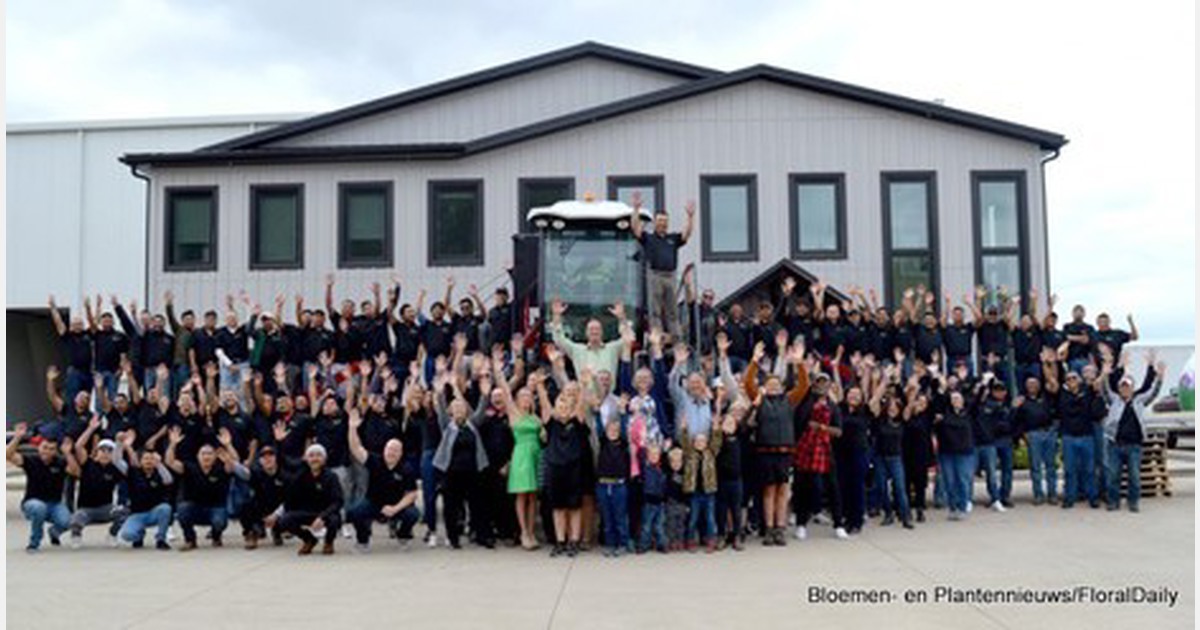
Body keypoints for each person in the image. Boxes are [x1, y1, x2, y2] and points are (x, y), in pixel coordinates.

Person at [743, 340, 809, 546]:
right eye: (770, 384)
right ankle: (769, 528)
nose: (773, 386)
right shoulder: (760, 399)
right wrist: (754, 362)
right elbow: (748, 383)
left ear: (781, 387)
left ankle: (780, 528)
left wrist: (799, 363)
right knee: (768, 491)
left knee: (783, 491)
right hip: (765, 451)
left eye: (776, 384)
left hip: (785, 452)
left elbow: (804, 385)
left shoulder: (789, 400)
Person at [431, 363, 490, 549]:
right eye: (455, 408)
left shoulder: (472, 424)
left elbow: (481, 410)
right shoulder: (446, 426)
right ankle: (453, 538)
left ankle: (481, 536)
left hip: (473, 471)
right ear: (451, 411)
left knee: (478, 505)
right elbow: (440, 409)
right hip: (451, 473)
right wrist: (440, 393)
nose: (458, 410)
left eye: (461, 407)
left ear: (466, 410)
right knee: (451, 507)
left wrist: (485, 394)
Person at [345, 409, 420, 552]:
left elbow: (412, 494)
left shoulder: (406, 468)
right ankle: (363, 540)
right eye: (389, 449)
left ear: (401, 453)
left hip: (396, 505)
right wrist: (352, 428)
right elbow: (356, 448)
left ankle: (403, 536)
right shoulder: (374, 460)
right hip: (373, 503)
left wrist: (395, 508)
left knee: (413, 514)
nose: (391, 452)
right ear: (384, 449)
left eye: (395, 450)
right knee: (354, 513)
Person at [1100, 356, 1164, 512]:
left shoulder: (1140, 401)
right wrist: (1105, 374)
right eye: (1122, 386)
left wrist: (1160, 378)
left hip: (1134, 445)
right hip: (1115, 444)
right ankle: (1113, 502)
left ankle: (1133, 502)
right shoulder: (1114, 400)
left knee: (1134, 477)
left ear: (1132, 388)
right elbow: (1104, 390)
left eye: (1127, 386)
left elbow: (1153, 393)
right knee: (1113, 476)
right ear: (1119, 388)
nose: (1124, 389)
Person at [166, 427, 246, 550]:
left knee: (220, 522)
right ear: (198, 456)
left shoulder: (221, 468)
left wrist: (228, 445)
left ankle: (216, 536)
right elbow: (170, 462)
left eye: (209, 453)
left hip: (216, 508)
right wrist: (172, 444)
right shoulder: (189, 467)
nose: (206, 456)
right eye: (203, 454)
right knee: (182, 510)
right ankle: (190, 540)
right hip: (195, 509)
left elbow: (235, 462)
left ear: (215, 456)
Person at [492, 358, 543, 550]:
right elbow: (505, 391)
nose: (526, 399)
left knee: (533, 496)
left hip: (535, 455)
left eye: (528, 396)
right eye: (522, 396)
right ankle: (523, 532)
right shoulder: (514, 414)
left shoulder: (535, 416)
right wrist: (499, 372)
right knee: (522, 495)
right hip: (521, 456)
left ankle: (531, 531)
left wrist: (539, 386)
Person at [629, 192, 694, 340]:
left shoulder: (673, 238)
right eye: (659, 220)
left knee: (673, 311)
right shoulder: (649, 238)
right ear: (655, 222)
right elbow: (635, 229)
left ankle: (677, 339)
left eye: (664, 221)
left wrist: (690, 217)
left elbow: (686, 234)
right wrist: (636, 209)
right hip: (655, 275)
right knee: (655, 311)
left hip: (670, 275)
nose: (662, 223)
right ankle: (656, 338)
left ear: (667, 223)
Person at [537, 376, 590, 557]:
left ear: (571, 408)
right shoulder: (551, 425)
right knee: (558, 508)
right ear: (556, 409)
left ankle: (574, 541)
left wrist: (583, 385)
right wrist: (540, 386)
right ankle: (560, 541)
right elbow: (544, 405)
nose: (563, 409)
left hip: (574, 469)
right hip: (555, 469)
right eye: (560, 406)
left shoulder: (577, 422)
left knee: (575, 507)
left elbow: (581, 404)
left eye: (566, 406)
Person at [792, 372, 847, 541]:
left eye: (825, 383)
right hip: (805, 448)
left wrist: (821, 428)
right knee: (803, 486)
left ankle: (838, 524)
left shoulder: (833, 406)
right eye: (818, 383)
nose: (822, 386)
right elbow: (798, 423)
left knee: (832, 488)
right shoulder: (805, 403)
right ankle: (801, 523)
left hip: (825, 450)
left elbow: (838, 431)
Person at [64, 418, 130, 548]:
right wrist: (91, 428)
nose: (105, 454)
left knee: (125, 512)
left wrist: (120, 444)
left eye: (109, 451)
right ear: (96, 452)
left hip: (106, 509)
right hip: (85, 510)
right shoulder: (88, 464)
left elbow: (120, 459)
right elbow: (78, 446)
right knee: (76, 518)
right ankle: (76, 536)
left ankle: (112, 535)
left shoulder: (115, 469)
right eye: (102, 450)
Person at [7, 423, 72, 552]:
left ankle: (54, 532)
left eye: (51, 449)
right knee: (39, 508)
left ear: (56, 451)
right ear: (39, 447)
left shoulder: (60, 463)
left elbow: (75, 472)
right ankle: (34, 542)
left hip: (54, 504)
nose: (47, 451)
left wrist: (67, 453)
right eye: (45, 447)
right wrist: (17, 437)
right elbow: (8, 455)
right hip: (32, 503)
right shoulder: (31, 461)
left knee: (68, 521)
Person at [277, 443, 344, 555]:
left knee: (334, 520)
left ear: (324, 459)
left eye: (318, 455)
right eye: (311, 456)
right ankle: (309, 540)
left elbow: (338, 501)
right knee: (285, 520)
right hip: (307, 512)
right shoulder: (300, 476)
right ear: (306, 459)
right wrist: (280, 444)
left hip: (326, 513)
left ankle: (329, 542)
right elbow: (285, 465)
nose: (315, 459)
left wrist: (322, 517)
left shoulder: (331, 476)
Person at [1015, 375, 1058, 505]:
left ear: (1039, 386)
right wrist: (1022, 435)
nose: (1032, 386)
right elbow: (1018, 420)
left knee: (1051, 466)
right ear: (1026, 386)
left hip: (1049, 432)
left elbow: (1054, 385)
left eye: (1035, 384)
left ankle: (1052, 494)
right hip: (1033, 434)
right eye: (1029, 384)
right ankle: (1038, 494)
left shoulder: (1046, 397)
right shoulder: (1022, 402)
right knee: (1035, 467)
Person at [936, 391, 976, 521]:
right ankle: (953, 507)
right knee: (949, 481)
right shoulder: (944, 415)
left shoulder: (969, 414)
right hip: (947, 452)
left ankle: (963, 507)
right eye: (953, 398)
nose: (956, 401)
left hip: (964, 452)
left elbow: (977, 400)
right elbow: (937, 401)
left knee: (963, 480)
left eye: (958, 398)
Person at [240, 445, 287, 549]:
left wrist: (275, 515)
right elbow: (240, 471)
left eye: (271, 455)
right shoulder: (256, 473)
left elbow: (289, 501)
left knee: (290, 515)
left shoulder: (285, 475)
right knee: (246, 505)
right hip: (263, 507)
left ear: (276, 458)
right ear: (260, 461)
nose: (267, 459)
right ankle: (252, 533)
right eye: (264, 457)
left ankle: (277, 532)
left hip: (281, 508)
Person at [637, 442, 668, 553]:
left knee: (659, 526)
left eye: (656, 454)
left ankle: (661, 544)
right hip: (648, 502)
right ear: (647, 456)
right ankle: (644, 544)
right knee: (646, 526)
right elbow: (640, 456)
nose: (654, 457)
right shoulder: (645, 468)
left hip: (660, 502)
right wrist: (642, 445)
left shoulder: (662, 468)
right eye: (651, 454)